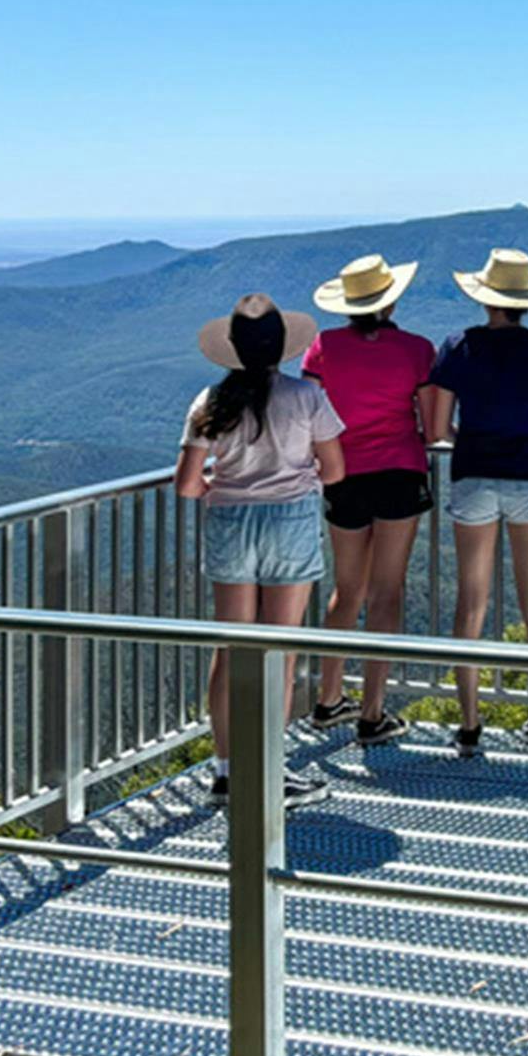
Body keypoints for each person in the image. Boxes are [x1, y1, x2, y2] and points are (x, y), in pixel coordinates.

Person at [175, 292, 343, 808]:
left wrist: (217, 487)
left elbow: (186, 483)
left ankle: (226, 770)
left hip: (229, 520)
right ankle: (270, 771)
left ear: (233, 349)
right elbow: (335, 469)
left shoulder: (210, 402)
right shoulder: (306, 397)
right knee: (281, 651)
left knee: (231, 650)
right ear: (281, 348)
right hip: (289, 520)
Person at [422, 248, 528, 758]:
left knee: (471, 604)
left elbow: (438, 429)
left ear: (484, 298)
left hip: (472, 478)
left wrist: (475, 441)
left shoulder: (456, 347)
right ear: (526, 301)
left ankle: (469, 727)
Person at [302, 254, 435, 745]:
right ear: (391, 299)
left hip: (342, 474)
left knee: (347, 591)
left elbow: (311, 414)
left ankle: (328, 698)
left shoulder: (322, 348)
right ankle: (372, 713)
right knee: (387, 593)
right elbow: (431, 421)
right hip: (400, 471)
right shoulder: (417, 350)